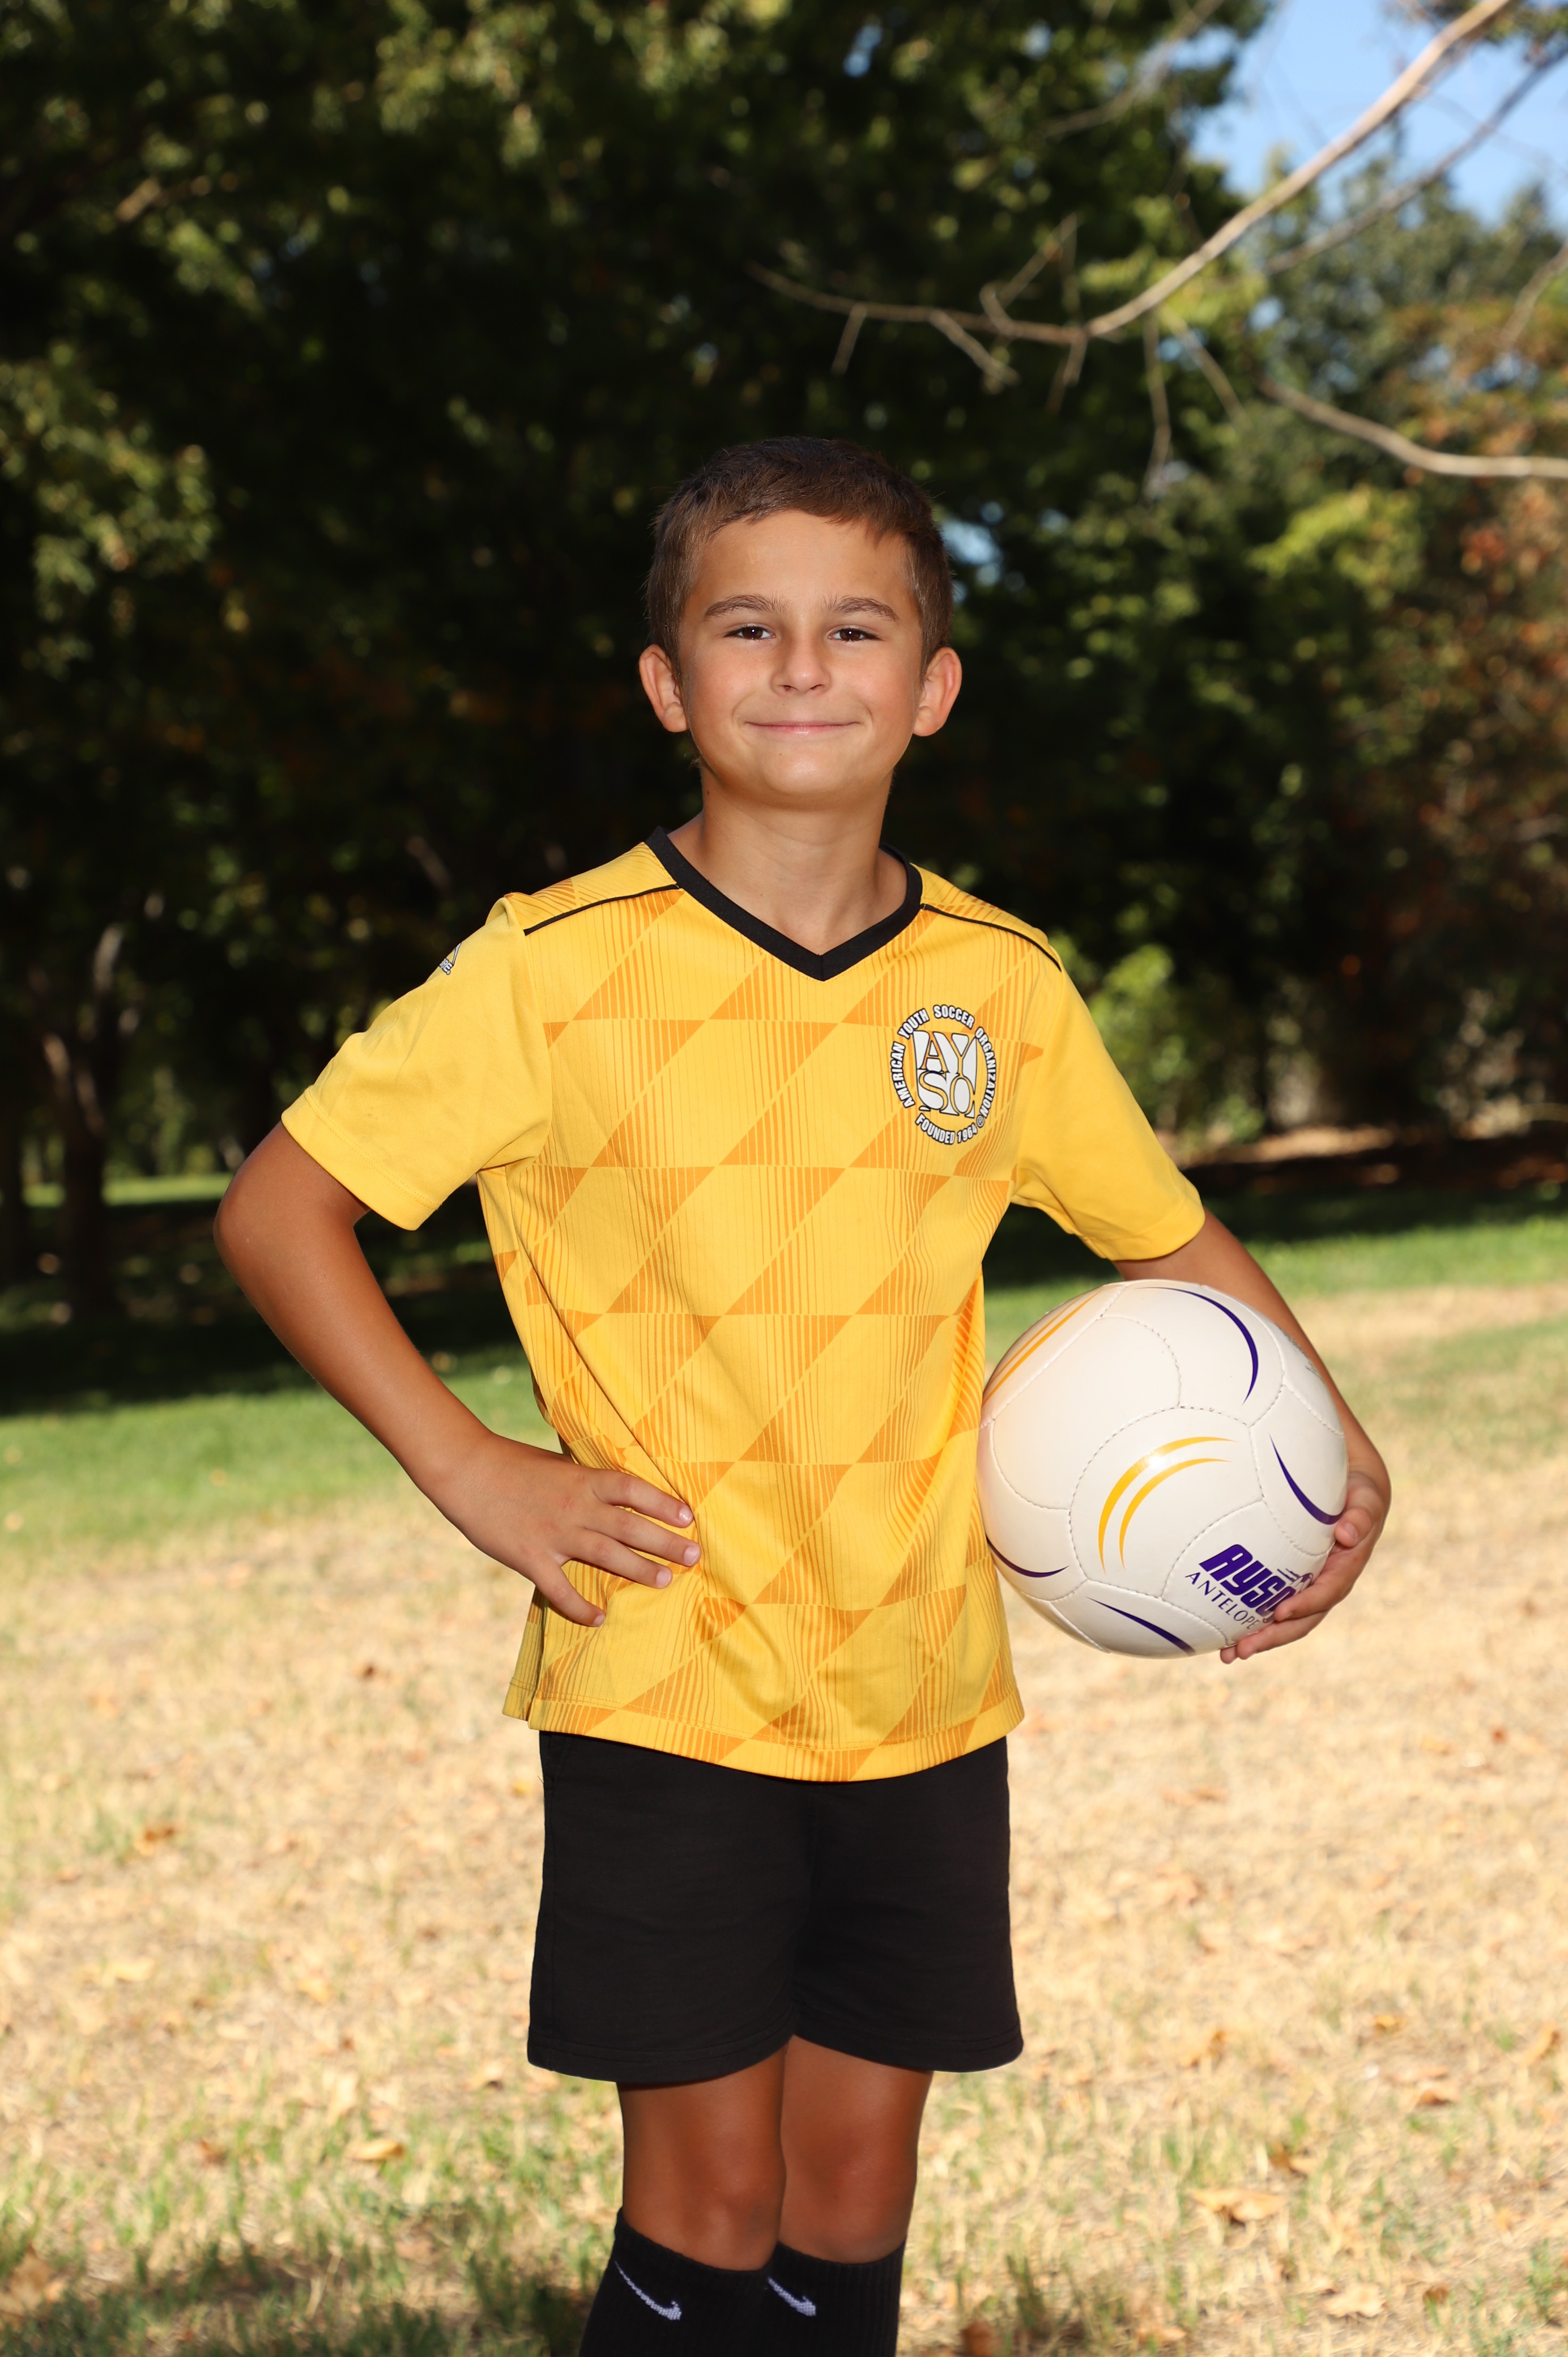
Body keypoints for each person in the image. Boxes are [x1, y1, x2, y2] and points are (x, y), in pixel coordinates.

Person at [216, 436, 1390, 2354]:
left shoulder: (1000, 988)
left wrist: (1341, 1454)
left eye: (858, 629)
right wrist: (477, 1471)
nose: (802, 667)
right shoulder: (551, 969)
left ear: (932, 687)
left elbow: (1168, 1239)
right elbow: (280, 1214)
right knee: (711, 2208)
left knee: (848, 2195)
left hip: (921, 1686)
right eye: (746, 627)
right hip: (670, 1674)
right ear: (667, 683)